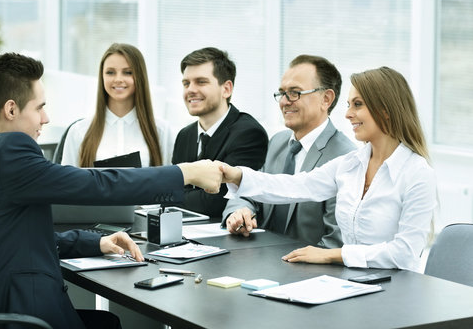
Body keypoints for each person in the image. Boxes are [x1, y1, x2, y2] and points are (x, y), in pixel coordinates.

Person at [0, 52, 222, 329]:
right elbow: (96, 184)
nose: (46, 118)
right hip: (13, 316)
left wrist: (96, 242)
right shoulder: (7, 150)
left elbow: (16, 238)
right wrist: (186, 173)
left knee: (108, 322)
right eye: (39, 107)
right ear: (12, 109)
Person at [223, 66, 437, 272]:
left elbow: (405, 253)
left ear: (386, 110)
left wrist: (332, 255)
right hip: (350, 281)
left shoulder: (417, 174)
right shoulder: (351, 164)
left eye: (358, 104)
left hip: (394, 288)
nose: (348, 114)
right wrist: (235, 175)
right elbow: (296, 186)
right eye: (348, 105)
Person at [222, 55, 355, 248]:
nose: (284, 102)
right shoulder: (278, 142)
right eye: (281, 93)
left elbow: (335, 241)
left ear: (326, 99)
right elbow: (251, 191)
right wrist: (240, 211)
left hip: (306, 268)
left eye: (294, 93)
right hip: (258, 256)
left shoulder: (345, 156)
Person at [172, 47, 268, 218]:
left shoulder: (249, 133)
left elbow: (218, 202)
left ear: (226, 89)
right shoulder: (184, 135)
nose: (190, 90)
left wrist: (172, 196)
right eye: (186, 83)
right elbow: (170, 191)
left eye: (201, 82)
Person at [62, 43, 174, 167]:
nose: (118, 79)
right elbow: (67, 183)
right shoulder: (79, 131)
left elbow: (171, 182)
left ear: (140, 76)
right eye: (110, 72)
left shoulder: (161, 130)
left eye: (127, 72)